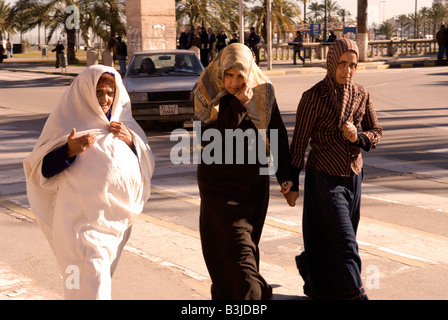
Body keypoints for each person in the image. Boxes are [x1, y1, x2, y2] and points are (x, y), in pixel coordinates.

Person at [23, 65, 155, 299]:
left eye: (110, 93)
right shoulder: (67, 122)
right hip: (79, 222)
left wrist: (132, 143)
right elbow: (39, 169)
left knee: (90, 282)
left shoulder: (125, 125)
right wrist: (68, 151)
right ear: (85, 91)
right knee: (93, 275)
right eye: (98, 92)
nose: (105, 98)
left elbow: (147, 163)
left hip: (114, 223)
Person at [194, 43, 293, 300]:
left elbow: (278, 135)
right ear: (221, 71)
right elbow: (208, 137)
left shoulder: (262, 93)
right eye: (229, 75)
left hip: (252, 185)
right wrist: (238, 106)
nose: (235, 83)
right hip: (217, 185)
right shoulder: (205, 91)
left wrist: (286, 179)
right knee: (225, 249)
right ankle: (253, 295)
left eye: (241, 76)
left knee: (246, 247)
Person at [286, 39, 382, 300]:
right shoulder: (313, 97)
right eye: (342, 64)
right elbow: (299, 144)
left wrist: (358, 138)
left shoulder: (362, 94)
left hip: (354, 176)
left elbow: (376, 132)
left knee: (332, 241)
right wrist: (291, 185)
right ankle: (359, 296)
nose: (347, 70)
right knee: (346, 244)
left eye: (352, 65)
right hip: (325, 178)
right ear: (331, 62)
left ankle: (316, 281)